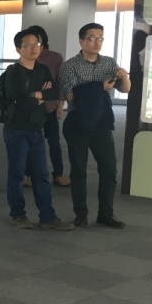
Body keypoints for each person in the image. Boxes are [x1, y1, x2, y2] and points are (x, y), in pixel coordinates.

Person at [58, 22, 129, 229]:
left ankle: (106, 213)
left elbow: (124, 90)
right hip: (78, 122)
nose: (97, 42)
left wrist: (124, 77)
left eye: (100, 38)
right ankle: (81, 214)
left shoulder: (108, 63)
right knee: (79, 170)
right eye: (92, 38)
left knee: (109, 169)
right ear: (81, 41)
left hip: (102, 122)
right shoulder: (70, 65)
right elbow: (70, 96)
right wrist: (99, 87)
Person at [2, 29, 73, 231]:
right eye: (28, 45)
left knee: (41, 173)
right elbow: (22, 100)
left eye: (37, 44)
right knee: (17, 173)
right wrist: (40, 95)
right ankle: (18, 214)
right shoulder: (13, 73)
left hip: (36, 128)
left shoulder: (42, 69)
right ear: (18, 49)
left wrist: (36, 94)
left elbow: (53, 92)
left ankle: (47, 216)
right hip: (16, 128)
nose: (34, 48)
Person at [27, 25, 70, 188]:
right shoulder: (27, 57)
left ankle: (58, 174)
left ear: (43, 40)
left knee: (54, 142)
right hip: (31, 108)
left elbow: (60, 81)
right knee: (30, 142)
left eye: (36, 40)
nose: (33, 44)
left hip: (50, 107)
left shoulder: (55, 57)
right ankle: (29, 175)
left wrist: (60, 104)